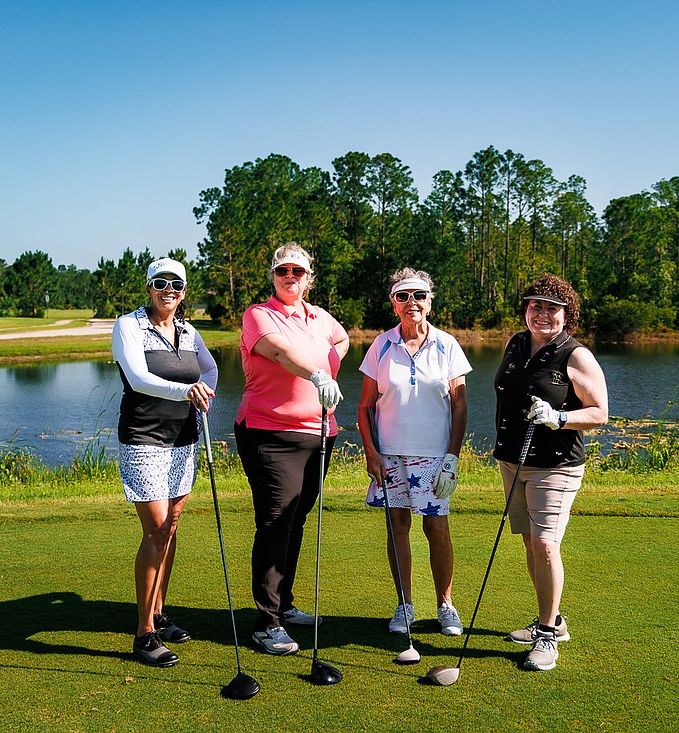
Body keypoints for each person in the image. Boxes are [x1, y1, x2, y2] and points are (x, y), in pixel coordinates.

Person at [235, 243, 349, 656]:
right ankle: (267, 623)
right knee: (276, 523)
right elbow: (280, 352)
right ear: (273, 276)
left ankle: (283, 603)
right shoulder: (259, 315)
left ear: (308, 278)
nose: (290, 277)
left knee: (296, 520)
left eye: (297, 272)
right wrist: (319, 374)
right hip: (270, 433)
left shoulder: (320, 317)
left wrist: (333, 359)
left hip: (319, 433)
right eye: (282, 270)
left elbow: (343, 339)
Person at [493, 273, 608, 672]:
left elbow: (599, 413)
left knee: (545, 545)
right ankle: (553, 620)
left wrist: (558, 417)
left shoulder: (575, 355)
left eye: (552, 308)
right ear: (526, 310)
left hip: (555, 466)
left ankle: (546, 636)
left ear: (566, 314)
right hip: (513, 461)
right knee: (530, 544)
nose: (542, 314)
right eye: (535, 306)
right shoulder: (515, 344)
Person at [111, 257, 217, 668]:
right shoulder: (129, 326)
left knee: (171, 527)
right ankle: (144, 634)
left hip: (183, 439)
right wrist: (186, 391)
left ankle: (159, 612)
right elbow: (138, 379)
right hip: (144, 438)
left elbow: (209, 369)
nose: (168, 290)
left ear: (184, 291)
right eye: (160, 283)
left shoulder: (189, 332)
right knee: (155, 528)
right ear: (148, 288)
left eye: (176, 284)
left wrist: (205, 392)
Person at [357, 268, 472, 637]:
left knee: (436, 528)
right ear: (394, 304)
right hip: (390, 455)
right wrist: (371, 452)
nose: (412, 303)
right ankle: (405, 605)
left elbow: (459, 405)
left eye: (419, 295)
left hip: (434, 455)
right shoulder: (380, 345)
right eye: (403, 296)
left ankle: (445, 605)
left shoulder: (447, 345)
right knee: (397, 528)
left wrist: (452, 456)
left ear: (429, 302)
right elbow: (366, 406)